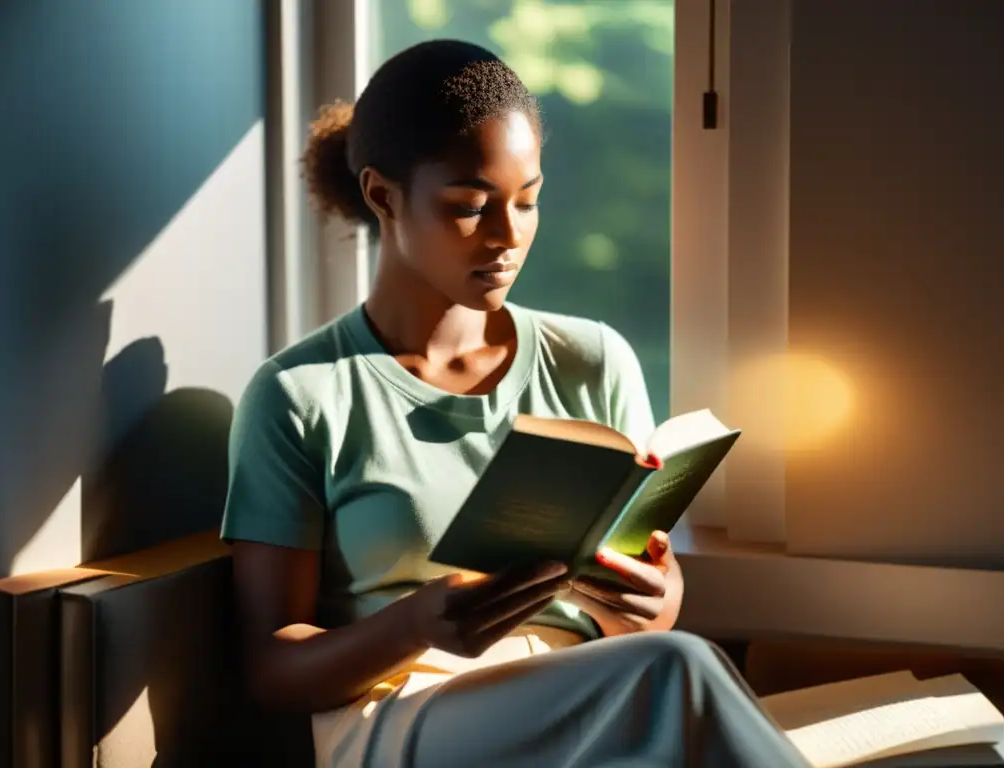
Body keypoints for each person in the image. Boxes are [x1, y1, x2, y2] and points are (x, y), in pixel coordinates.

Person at [221, 39, 807, 768]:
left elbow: (647, 613)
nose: (508, 237)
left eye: (527, 200)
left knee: (980, 739)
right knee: (678, 674)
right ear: (382, 195)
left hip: (590, 692)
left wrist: (652, 598)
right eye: (470, 207)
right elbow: (273, 671)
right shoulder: (301, 395)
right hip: (406, 709)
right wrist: (416, 624)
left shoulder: (592, 360)